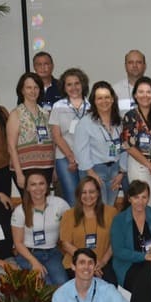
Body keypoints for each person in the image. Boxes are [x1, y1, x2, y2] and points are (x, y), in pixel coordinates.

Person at [11, 170, 71, 286]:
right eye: (33, 184)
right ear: (27, 188)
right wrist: (34, 262)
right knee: (45, 285)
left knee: (63, 284)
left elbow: (70, 228)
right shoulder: (20, 211)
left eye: (41, 183)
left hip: (52, 253)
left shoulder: (60, 204)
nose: (38, 188)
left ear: (47, 186)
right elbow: (18, 243)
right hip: (28, 254)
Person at [74, 81, 127, 207]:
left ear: (113, 99)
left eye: (107, 97)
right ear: (94, 101)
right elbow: (80, 151)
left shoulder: (119, 122)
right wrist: (91, 174)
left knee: (109, 208)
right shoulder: (85, 123)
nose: (104, 101)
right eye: (100, 98)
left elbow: (125, 148)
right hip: (94, 170)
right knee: (97, 210)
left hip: (115, 171)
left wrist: (121, 172)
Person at [60, 176, 119, 285]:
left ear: (98, 193)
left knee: (109, 288)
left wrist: (103, 261)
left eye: (92, 192)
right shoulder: (69, 214)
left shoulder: (111, 213)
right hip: (76, 264)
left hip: (102, 264)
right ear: (79, 195)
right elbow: (66, 244)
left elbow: (114, 242)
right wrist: (88, 263)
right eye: (84, 192)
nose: (88, 196)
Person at [121, 77, 151, 209]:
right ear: (135, 95)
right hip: (139, 166)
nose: (145, 95)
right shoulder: (130, 116)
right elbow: (128, 145)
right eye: (141, 92)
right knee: (139, 205)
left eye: (148, 92)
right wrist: (149, 165)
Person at [7, 71, 55, 190]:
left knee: (44, 203)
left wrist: (54, 168)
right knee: (29, 205)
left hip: (47, 167)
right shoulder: (16, 114)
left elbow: (53, 143)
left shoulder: (46, 114)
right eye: (28, 87)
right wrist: (19, 174)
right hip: (25, 169)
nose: (33, 91)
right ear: (22, 90)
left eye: (36, 87)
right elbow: (11, 147)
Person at [49, 68, 90, 206]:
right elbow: (56, 136)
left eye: (77, 83)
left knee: (88, 197)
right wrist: (71, 157)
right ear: (64, 87)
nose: (74, 87)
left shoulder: (91, 106)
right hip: (65, 158)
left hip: (87, 158)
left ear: (83, 84)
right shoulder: (58, 106)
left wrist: (80, 158)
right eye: (69, 84)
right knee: (72, 198)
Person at [115, 49, 151, 115]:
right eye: (130, 62)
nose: (135, 65)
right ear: (125, 66)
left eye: (139, 62)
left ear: (144, 66)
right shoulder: (115, 90)